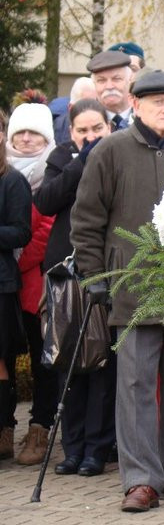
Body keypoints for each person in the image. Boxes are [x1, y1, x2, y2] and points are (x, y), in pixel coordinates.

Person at [71, 70, 164, 512]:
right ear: (135, 105)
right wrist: (96, 279)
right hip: (130, 289)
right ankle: (140, 479)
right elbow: (86, 220)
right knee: (134, 386)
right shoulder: (110, 151)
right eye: (158, 103)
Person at [33, 99, 116, 476]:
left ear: (108, 127)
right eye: (82, 130)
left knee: (100, 364)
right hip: (65, 277)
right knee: (68, 363)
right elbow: (47, 200)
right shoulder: (63, 158)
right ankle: (72, 446)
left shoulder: (118, 154)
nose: (90, 136)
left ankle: (96, 449)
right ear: (70, 132)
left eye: (96, 129)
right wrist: (82, 160)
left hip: (102, 272)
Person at [4, 103, 57, 465]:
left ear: (46, 137)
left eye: (33, 133)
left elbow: (44, 229)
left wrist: (20, 262)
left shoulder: (52, 171)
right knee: (5, 356)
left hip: (33, 280)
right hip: (7, 280)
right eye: (19, 133)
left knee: (42, 359)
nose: (25, 139)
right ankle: (5, 427)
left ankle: (39, 427)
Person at [0, 114, 33, 462]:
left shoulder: (13, 181)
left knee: (1, 361)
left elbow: (20, 232)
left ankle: (4, 430)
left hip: (1, 284)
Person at [86, 51, 134, 131]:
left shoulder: (147, 118)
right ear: (94, 84)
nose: (109, 86)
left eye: (116, 79)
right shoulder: (83, 124)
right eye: (101, 80)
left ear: (130, 80)